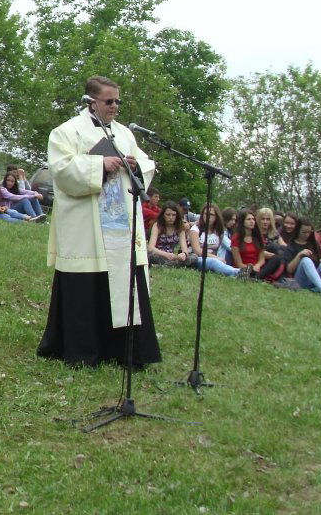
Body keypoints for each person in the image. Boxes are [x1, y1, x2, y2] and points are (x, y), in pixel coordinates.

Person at [36, 75, 160, 369]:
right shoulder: (66, 132)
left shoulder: (124, 134)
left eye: (117, 101)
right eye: (109, 101)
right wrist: (99, 165)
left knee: (124, 282)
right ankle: (83, 352)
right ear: (91, 103)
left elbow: (147, 163)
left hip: (121, 227)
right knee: (88, 287)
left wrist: (135, 164)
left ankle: (125, 352)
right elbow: (62, 171)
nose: (115, 106)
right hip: (86, 226)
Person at [188, 204, 240, 277]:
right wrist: (216, 258)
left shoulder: (219, 232)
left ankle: (237, 275)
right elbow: (197, 250)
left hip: (214, 259)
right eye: (206, 214)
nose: (208, 217)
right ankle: (239, 272)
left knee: (216, 263)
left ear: (216, 217)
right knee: (213, 262)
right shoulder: (195, 229)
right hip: (196, 259)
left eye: (211, 215)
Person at [148, 201, 192, 267]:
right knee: (149, 255)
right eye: (168, 215)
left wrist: (184, 254)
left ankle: (166, 265)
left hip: (172, 257)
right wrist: (165, 254)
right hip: (159, 254)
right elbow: (151, 248)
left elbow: (184, 248)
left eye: (173, 215)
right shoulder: (157, 226)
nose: (171, 217)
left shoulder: (180, 226)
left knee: (193, 258)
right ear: (163, 215)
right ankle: (172, 265)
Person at [230, 210, 270, 278]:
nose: (252, 221)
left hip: (257, 268)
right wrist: (250, 268)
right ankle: (254, 276)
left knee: (276, 259)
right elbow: (239, 263)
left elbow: (262, 259)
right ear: (242, 222)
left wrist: (257, 265)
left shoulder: (258, 237)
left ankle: (258, 276)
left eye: (253, 219)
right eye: (248, 219)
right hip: (243, 268)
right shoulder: (236, 238)